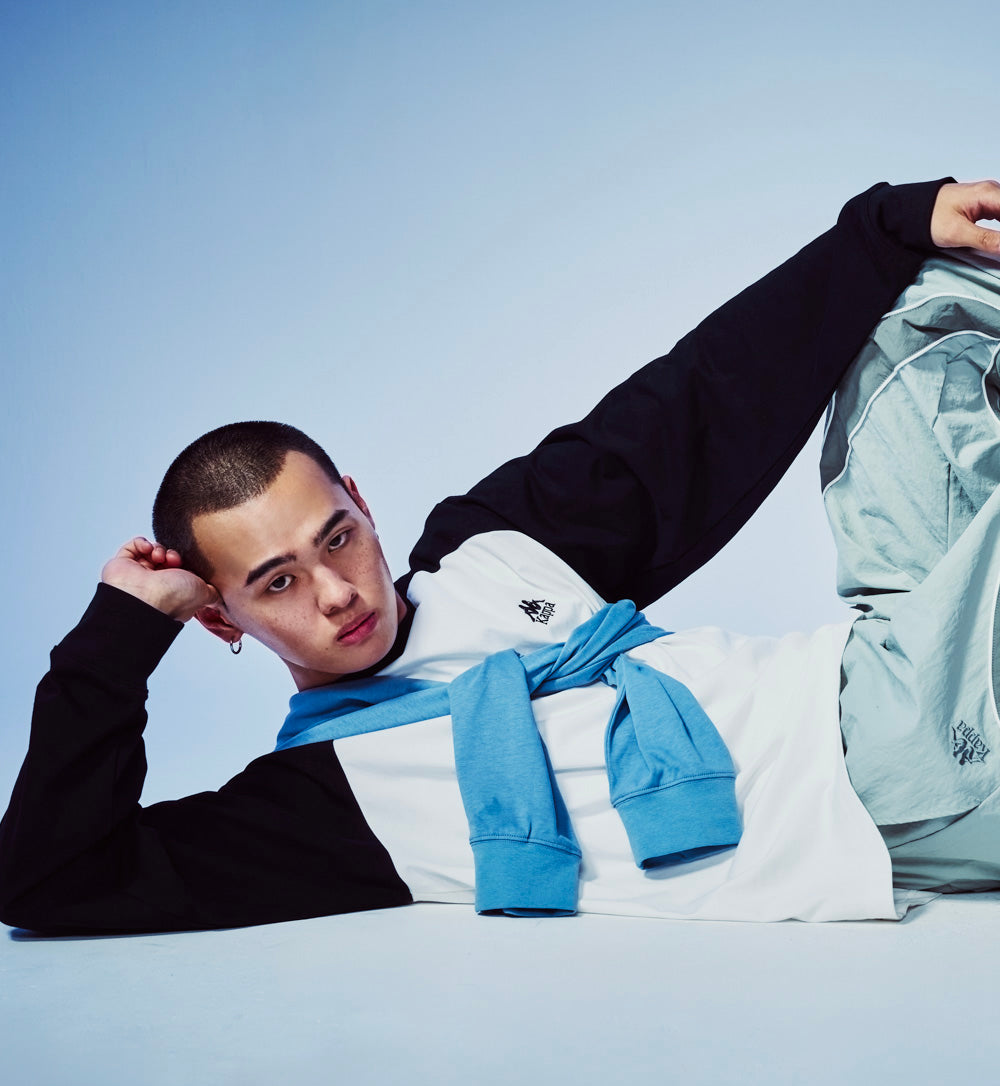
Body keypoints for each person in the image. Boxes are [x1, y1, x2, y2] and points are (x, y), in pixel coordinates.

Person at [3, 176, 1000, 935]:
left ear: (363, 505)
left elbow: (694, 407)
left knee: (921, 303)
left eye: (336, 537)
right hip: (885, 778)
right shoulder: (320, 807)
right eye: (279, 582)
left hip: (887, 674)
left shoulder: (486, 552)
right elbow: (52, 881)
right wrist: (118, 634)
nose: (336, 591)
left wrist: (883, 225)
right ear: (221, 616)